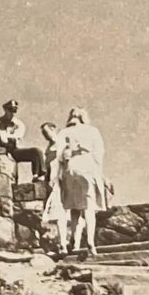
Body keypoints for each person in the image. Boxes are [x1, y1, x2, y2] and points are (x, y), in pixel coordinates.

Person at [58, 107, 107, 256]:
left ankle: (75, 240)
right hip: (87, 165)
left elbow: (60, 155)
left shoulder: (64, 132)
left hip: (71, 167)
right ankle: (90, 242)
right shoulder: (92, 131)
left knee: (73, 207)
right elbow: (99, 152)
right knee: (89, 207)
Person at [0, 99, 49, 176]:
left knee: (36, 151)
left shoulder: (18, 124)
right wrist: (0, 133)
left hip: (12, 150)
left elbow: (17, 136)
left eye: (14, 111)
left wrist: (7, 136)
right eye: (10, 110)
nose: (11, 113)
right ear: (5, 109)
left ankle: (38, 175)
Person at [38, 120, 67, 252]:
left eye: (46, 132)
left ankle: (67, 243)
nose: (45, 135)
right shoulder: (48, 148)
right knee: (56, 214)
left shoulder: (62, 144)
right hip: (52, 182)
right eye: (43, 133)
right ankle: (62, 243)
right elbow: (48, 167)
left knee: (64, 213)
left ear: (53, 129)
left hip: (62, 181)